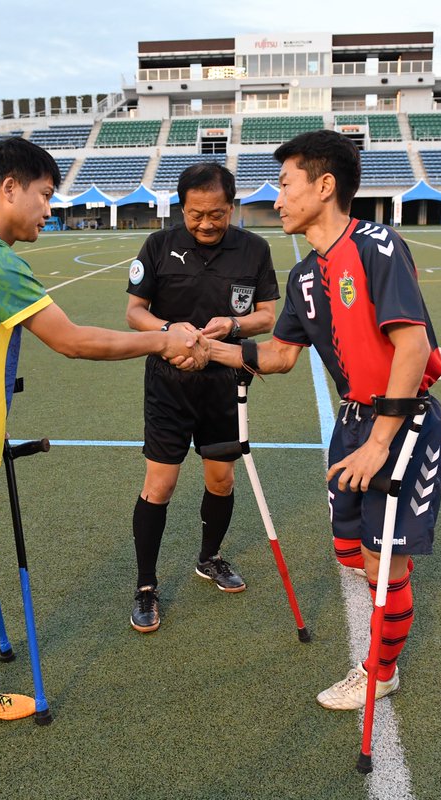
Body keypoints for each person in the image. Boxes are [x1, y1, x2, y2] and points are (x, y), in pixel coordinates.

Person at [0, 137, 207, 724]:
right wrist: (164, 339)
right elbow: (73, 341)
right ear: (9, 188)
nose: (48, 209)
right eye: (44, 195)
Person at [207, 130, 441, 709]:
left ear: (325, 185)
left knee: (380, 559)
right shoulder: (304, 274)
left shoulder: (377, 246)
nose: (277, 197)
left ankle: (380, 670)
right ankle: (377, 605)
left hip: (401, 421)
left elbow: (412, 349)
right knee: (347, 546)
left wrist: (380, 442)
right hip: (352, 420)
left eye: (286, 184)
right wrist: (209, 348)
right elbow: (283, 356)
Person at [124, 162, 279, 633]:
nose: (206, 223)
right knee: (160, 485)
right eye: (195, 214)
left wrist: (231, 326)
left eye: (216, 214)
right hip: (168, 384)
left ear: (231, 207)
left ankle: (209, 557)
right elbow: (135, 312)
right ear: (181, 208)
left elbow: (267, 315)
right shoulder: (158, 245)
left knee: (220, 481)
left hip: (224, 385)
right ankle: (146, 585)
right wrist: (172, 332)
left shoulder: (254, 249)